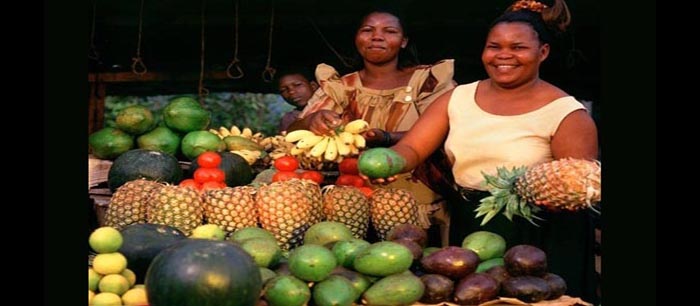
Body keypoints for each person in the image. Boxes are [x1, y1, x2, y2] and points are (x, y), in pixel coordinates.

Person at [362, 0, 599, 303]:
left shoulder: (565, 112)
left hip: (538, 236)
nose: (503, 56)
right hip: (473, 221)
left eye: (518, 48)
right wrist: (392, 163)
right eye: (494, 46)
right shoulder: (458, 98)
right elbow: (412, 146)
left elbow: (577, 188)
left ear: (543, 52)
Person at [288, 7, 456, 244]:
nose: (377, 36)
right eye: (368, 30)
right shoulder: (341, 87)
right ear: (357, 38)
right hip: (352, 200)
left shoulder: (427, 81)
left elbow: (450, 129)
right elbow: (294, 132)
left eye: (389, 31)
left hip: (419, 200)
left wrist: (387, 138)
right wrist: (310, 120)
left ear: (404, 41)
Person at [276, 67, 319, 133]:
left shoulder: (334, 106)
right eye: (283, 90)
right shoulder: (288, 119)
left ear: (313, 86)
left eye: (297, 85)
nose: (291, 92)